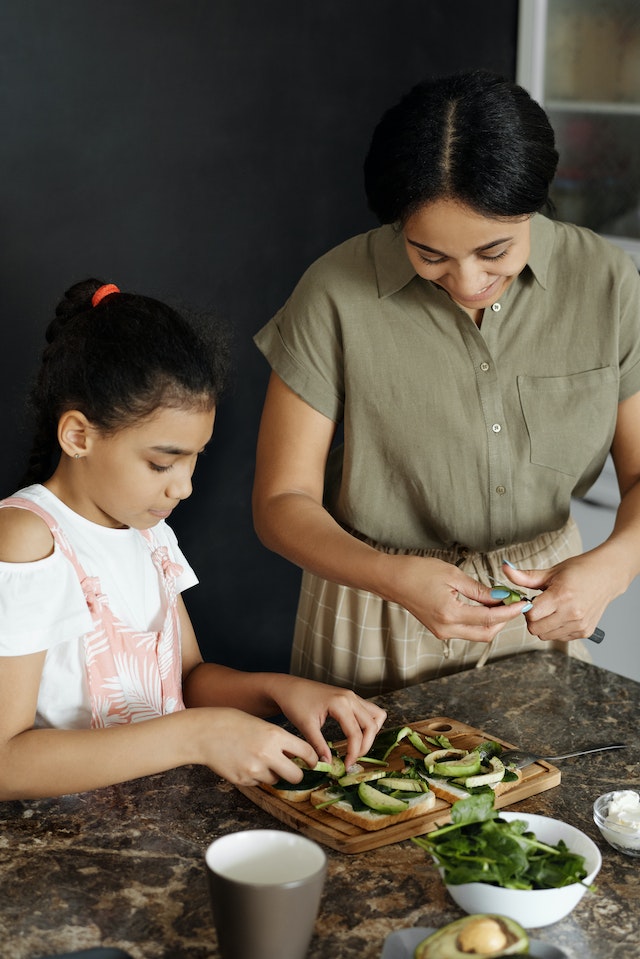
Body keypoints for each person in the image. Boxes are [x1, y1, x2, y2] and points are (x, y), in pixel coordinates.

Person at [252, 69, 640, 697]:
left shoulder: (607, 283)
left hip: (538, 611)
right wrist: (392, 577)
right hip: (375, 608)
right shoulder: (333, 292)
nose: (465, 282)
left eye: (495, 252)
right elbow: (280, 503)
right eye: (430, 255)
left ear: (535, 206)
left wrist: (614, 567)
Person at [0, 279, 386, 802]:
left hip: (154, 821)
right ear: (78, 436)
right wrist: (197, 735)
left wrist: (279, 689)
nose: (183, 486)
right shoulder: (25, 537)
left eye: (194, 458)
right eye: (162, 462)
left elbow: (189, 678)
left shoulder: (148, 531)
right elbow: (6, 761)